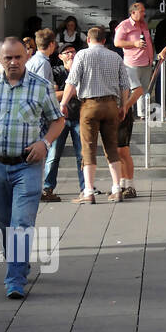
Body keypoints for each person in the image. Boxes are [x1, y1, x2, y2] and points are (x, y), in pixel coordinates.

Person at [0, 37, 65, 299]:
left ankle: (14, 278)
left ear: (26, 57)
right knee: (4, 223)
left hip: (28, 165)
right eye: (8, 58)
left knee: (20, 222)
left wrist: (45, 143)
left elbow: (57, 121)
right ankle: (19, 261)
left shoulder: (40, 87)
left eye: (18, 57)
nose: (14, 62)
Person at [59, 26, 128, 205]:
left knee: (88, 148)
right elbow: (125, 85)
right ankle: (117, 189)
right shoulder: (116, 56)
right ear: (105, 40)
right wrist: (123, 106)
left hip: (90, 105)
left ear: (88, 40)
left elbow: (72, 82)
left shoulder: (82, 55)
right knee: (112, 147)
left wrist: (63, 103)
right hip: (112, 104)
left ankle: (88, 191)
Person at [42, 43, 85, 202]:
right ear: (60, 56)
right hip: (58, 120)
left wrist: (67, 93)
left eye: (73, 51)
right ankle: (48, 187)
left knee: (82, 154)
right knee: (53, 155)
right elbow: (52, 95)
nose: (71, 55)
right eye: (67, 53)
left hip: (79, 117)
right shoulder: (56, 72)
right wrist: (71, 92)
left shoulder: (82, 70)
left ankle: (85, 187)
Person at [114, 2, 154, 118]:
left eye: (144, 11)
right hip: (132, 63)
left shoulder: (143, 24)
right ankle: (125, 111)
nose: (144, 13)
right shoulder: (124, 25)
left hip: (146, 61)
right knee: (135, 89)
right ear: (133, 12)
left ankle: (143, 113)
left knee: (145, 90)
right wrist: (134, 43)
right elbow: (117, 42)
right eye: (141, 11)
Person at [112, 68, 144, 201]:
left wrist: (125, 107)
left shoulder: (125, 69)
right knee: (114, 151)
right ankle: (122, 183)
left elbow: (138, 90)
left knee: (123, 150)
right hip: (107, 112)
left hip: (122, 114)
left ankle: (130, 185)